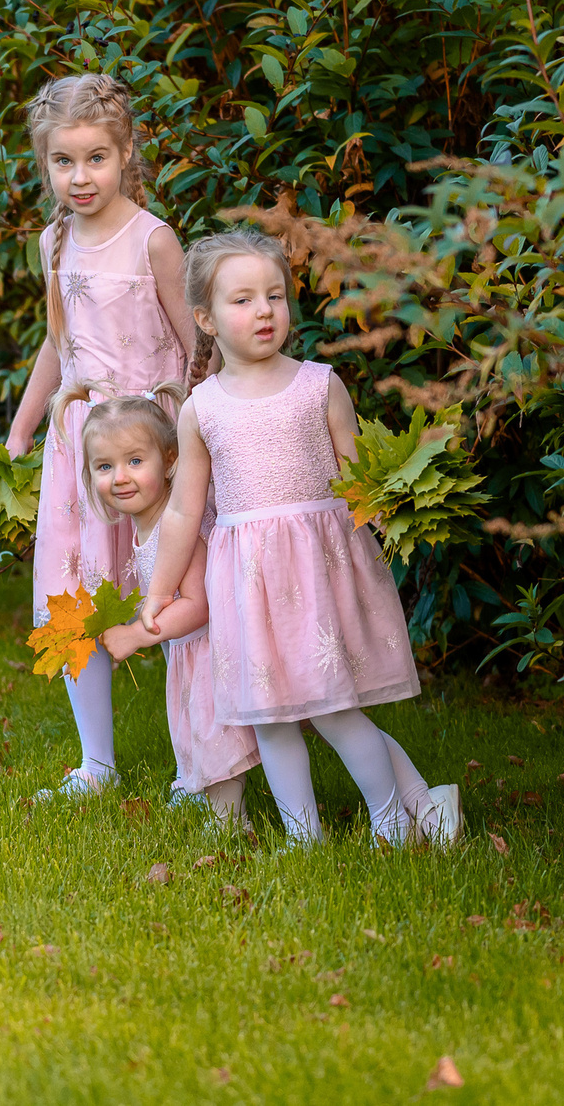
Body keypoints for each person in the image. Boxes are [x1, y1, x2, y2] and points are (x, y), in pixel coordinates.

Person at [140, 229, 463, 846]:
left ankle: (394, 822)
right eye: (242, 300)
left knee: (335, 710)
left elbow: (358, 474)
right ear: (204, 317)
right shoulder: (202, 408)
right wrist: (159, 591)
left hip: (318, 573)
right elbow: (184, 512)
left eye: (274, 296)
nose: (264, 310)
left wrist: (400, 509)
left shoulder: (320, 385)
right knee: (271, 722)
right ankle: (302, 837)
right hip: (247, 584)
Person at [2, 75, 193, 802]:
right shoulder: (54, 239)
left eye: (96, 159)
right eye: (63, 161)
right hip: (80, 447)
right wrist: (23, 427)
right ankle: (97, 762)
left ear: (126, 153)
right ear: (43, 162)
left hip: (149, 442)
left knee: (172, 596)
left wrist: (191, 441)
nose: (80, 178)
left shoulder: (153, 241)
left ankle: (200, 762)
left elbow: (192, 348)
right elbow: (58, 342)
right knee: (74, 597)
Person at [59, 389, 260, 828]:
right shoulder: (149, 519)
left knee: (215, 734)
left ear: (170, 460)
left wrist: (137, 634)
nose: (120, 477)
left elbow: (198, 606)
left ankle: (229, 823)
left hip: (213, 650)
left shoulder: (176, 524)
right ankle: (205, 797)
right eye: (104, 466)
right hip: (193, 651)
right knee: (199, 732)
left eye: (135, 461)